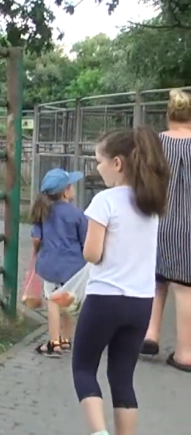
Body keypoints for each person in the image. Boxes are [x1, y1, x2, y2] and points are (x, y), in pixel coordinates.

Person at [72, 126, 170, 435]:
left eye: (99, 161)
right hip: (141, 302)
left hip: (105, 298)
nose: (97, 167)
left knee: (84, 368)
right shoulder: (150, 203)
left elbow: (92, 253)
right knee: (123, 376)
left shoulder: (106, 200)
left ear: (117, 163)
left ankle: (99, 432)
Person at [142, 87, 191, 371]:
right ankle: (185, 353)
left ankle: (149, 335)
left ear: (168, 114)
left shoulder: (157, 144)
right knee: (185, 290)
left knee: (155, 280)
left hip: (157, 222)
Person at [29, 167, 88, 357]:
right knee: (68, 302)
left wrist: (37, 251)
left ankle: (53, 341)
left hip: (50, 266)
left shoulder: (42, 212)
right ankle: (65, 339)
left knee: (53, 302)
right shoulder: (77, 214)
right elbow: (85, 241)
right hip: (73, 267)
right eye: (71, 186)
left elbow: (36, 238)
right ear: (65, 191)